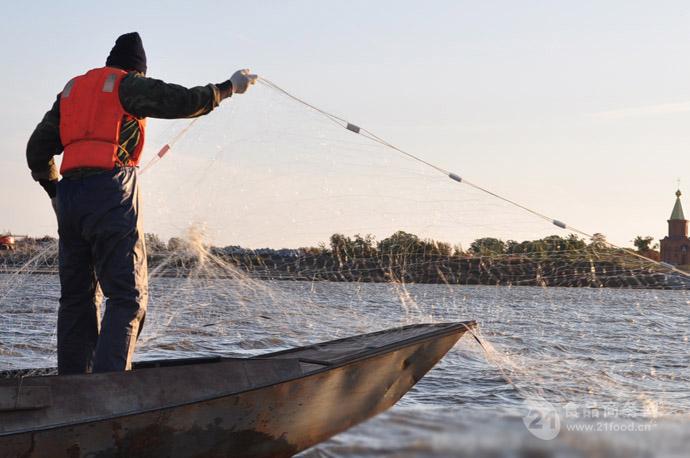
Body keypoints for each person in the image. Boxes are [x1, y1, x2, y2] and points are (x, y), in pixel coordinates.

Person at [26, 32, 257, 375]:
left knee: (76, 299)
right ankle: (108, 394)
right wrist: (227, 88)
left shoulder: (72, 91)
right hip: (111, 192)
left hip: (71, 198)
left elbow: (36, 150)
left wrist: (54, 191)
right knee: (126, 297)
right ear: (138, 71)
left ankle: (72, 392)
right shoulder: (127, 85)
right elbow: (180, 100)